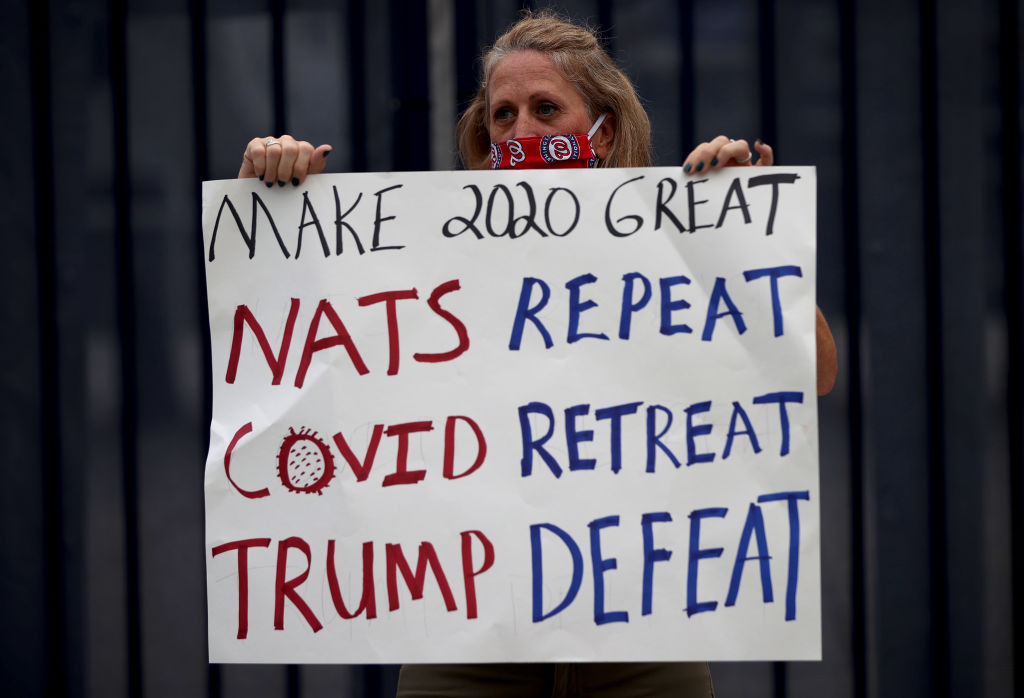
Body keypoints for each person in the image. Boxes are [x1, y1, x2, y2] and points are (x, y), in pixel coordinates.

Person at [237, 10, 838, 696]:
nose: (521, 133)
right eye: (503, 115)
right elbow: (300, 352)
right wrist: (270, 203)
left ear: (601, 131)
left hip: (642, 628)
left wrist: (740, 238)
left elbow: (813, 372)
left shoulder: (676, 245)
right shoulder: (421, 257)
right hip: (468, 629)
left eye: (546, 109)